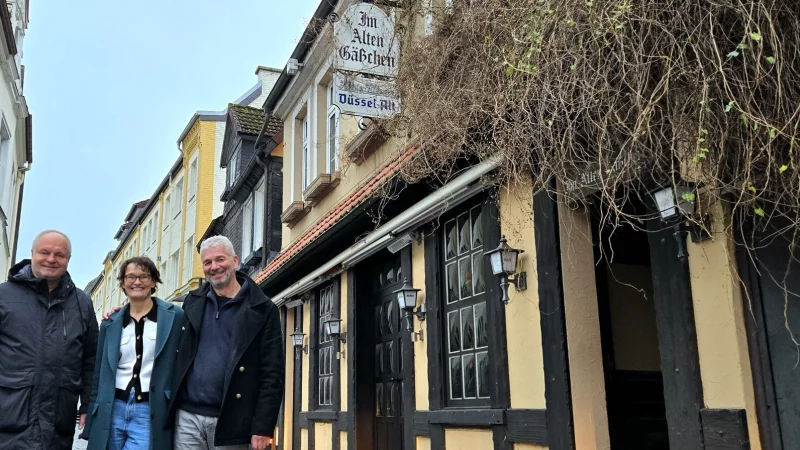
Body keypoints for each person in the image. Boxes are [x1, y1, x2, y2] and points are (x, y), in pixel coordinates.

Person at [169, 235, 284, 450]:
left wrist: (263, 427)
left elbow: (272, 373)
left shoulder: (262, 309)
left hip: (233, 420)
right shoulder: (192, 302)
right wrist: (125, 311)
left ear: (235, 260)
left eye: (220, 259)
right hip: (187, 418)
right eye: (207, 262)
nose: (214, 267)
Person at [0, 230, 99, 449]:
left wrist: (88, 404)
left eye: (59, 255)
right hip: (9, 417)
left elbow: (91, 359)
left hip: (58, 421)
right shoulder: (4, 296)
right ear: (32, 253)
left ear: (68, 260)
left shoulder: (82, 302)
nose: (51, 259)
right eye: (44, 252)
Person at [82, 256, 185, 449]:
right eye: (130, 277)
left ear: (154, 281)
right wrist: (89, 408)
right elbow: (99, 372)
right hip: (112, 407)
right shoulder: (110, 323)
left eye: (144, 276)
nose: (137, 282)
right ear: (122, 283)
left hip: (149, 409)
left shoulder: (174, 317)